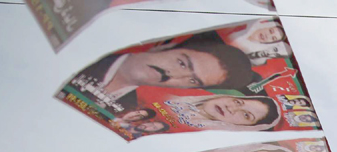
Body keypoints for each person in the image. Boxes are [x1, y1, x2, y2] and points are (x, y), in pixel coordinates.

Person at [69, 31, 257, 112]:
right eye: (183, 63)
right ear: (167, 46)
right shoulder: (85, 53)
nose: (175, 75)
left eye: (192, 81)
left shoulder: (128, 110)